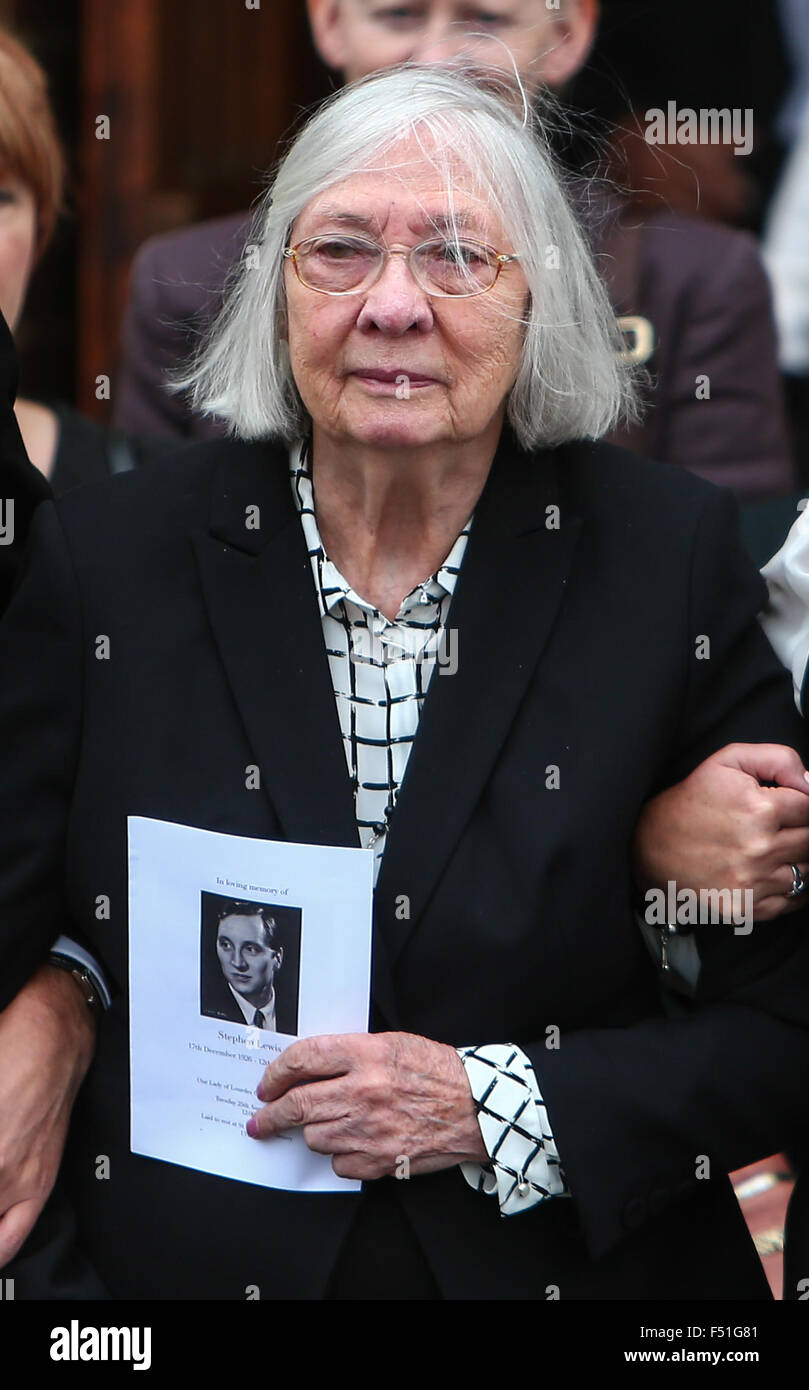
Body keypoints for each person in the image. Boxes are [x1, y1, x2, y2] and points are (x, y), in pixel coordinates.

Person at [2, 67, 809, 1300]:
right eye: (338, 251)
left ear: (539, 294)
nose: (391, 306)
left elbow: (780, 1027)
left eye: (453, 257)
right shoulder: (107, 561)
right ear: (275, 292)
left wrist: (489, 1105)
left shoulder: (665, 560)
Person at [112, 0, 795, 503]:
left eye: (485, 20)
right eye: (399, 16)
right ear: (326, 22)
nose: (438, 57)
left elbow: (726, 563)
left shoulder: (697, 279)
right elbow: (157, 564)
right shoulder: (187, 276)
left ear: (566, 33)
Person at [202, 901, 296, 1035]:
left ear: (277, 958)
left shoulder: (296, 1010)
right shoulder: (207, 1007)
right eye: (226, 945)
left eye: (250, 949)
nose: (237, 963)